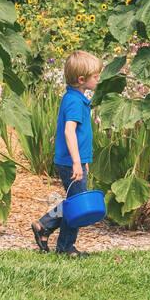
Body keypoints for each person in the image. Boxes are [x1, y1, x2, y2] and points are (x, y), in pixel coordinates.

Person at [33, 51, 103, 257]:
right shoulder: (74, 101)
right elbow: (69, 131)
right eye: (95, 76)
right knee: (78, 205)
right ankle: (63, 245)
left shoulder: (75, 97)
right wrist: (76, 162)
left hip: (75, 161)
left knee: (75, 201)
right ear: (82, 80)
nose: (98, 79)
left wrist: (84, 161)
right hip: (70, 162)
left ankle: (44, 226)